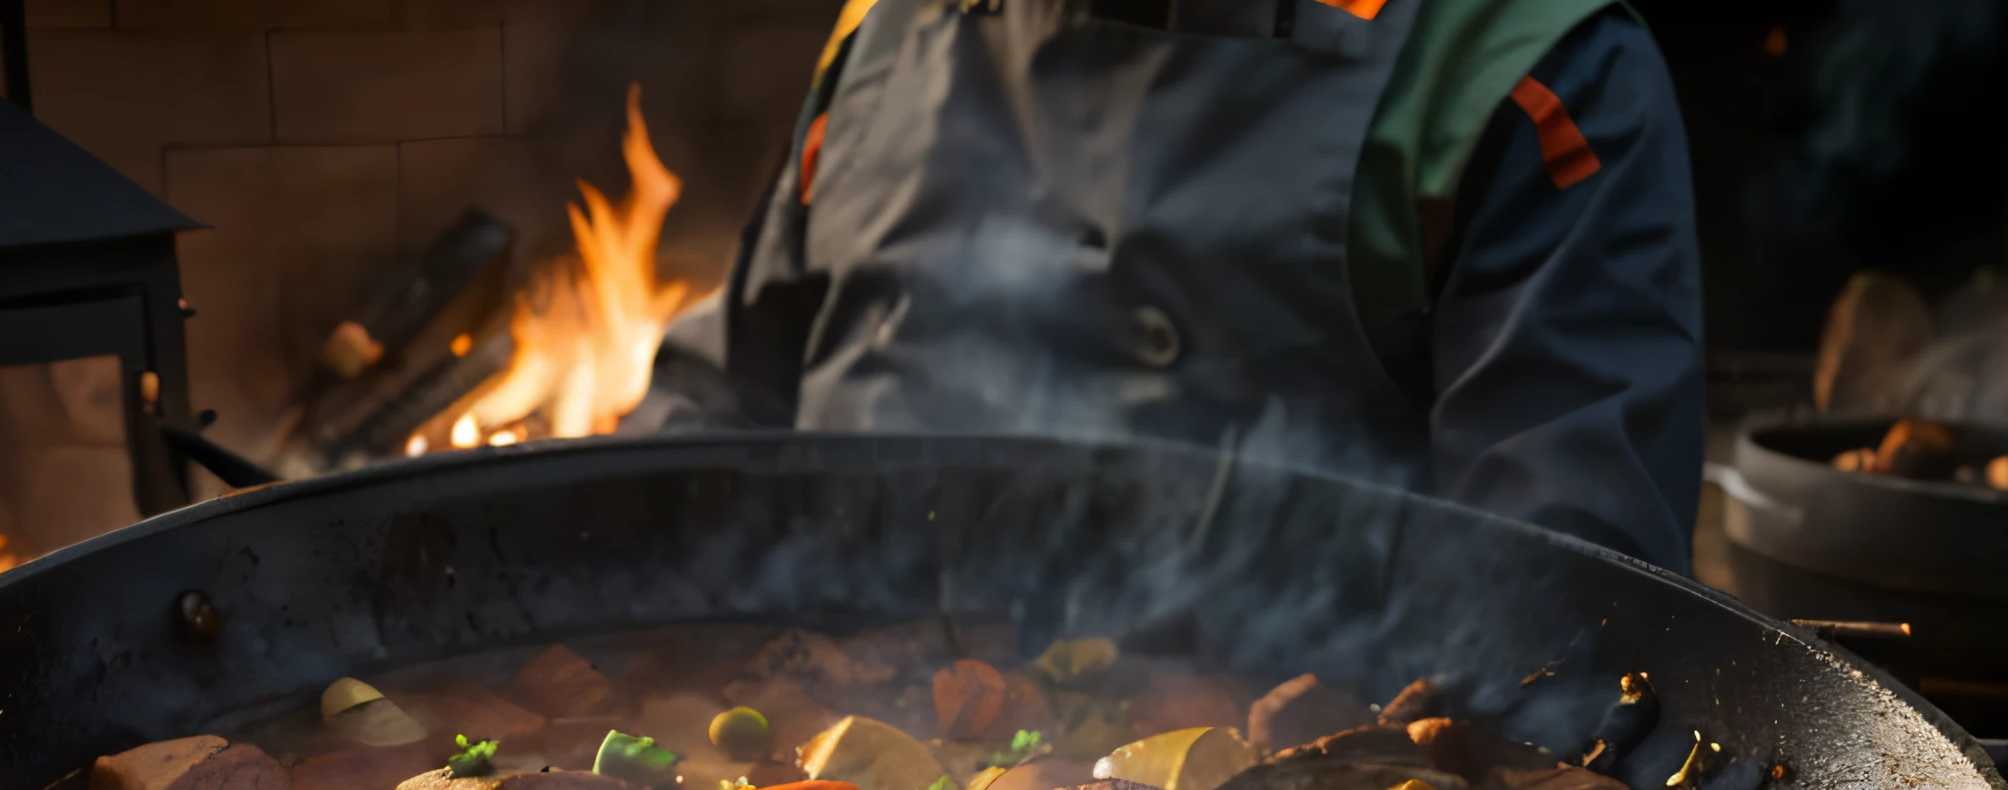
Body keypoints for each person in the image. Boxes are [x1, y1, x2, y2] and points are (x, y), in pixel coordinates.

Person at [630, 0, 1705, 572]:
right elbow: (725, 403)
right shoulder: (888, 27)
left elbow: (1565, 625)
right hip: (796, 770)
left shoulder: (1534, 77)